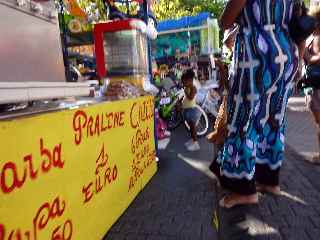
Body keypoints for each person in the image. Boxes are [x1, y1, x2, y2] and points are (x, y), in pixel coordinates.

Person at [210, 0, 303, 208]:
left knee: (243, 120)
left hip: (256, 57)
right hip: (287, 56)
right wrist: (300, 60)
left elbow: (225, 21)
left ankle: (244, 190)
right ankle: (269, 181)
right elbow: (300, 27)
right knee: (274, 119)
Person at [304, 7, 320, 164]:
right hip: (312, 82)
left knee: (319, 122)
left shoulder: (318, 36)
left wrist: (305, 55)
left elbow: (318, 58)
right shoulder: (314, 35)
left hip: (317, 83)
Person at [181, 69, 201, 151]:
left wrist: (186, 92)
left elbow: (190, 97)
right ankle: (192, 140)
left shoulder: (193, 88)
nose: (183, 84)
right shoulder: (188, 87)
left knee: (193, 128)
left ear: (190, 80)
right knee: (190, 127)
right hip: (187, 110)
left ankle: (196, 143)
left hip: (192, 111)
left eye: (184, 82)